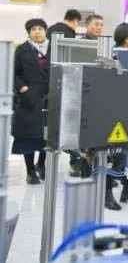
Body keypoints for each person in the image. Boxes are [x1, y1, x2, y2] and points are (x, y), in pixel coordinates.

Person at [103, 23, 128, 210]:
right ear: (127, 38)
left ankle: (127, 190)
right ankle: (107, 194)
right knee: (113, 156)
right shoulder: (113, 57)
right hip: (114, 113)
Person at [46, 9, 84, 176]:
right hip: (66, 84)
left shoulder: (50, 30)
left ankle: (45, 164)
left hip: (50, 83)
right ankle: (73, 162)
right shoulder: (69, 34)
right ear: (76, 21)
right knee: (70, 126)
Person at [12, 19, 49, 184]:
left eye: (40, 28)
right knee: (28, 136)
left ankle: (41, 164)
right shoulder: (22, 49)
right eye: (33, 29)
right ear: (29, 32)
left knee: (47, 136)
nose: (37, 31)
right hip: (29, 97)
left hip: (49, 97)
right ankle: (30, 171)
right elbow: (14, 72)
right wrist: (22, 88)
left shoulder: (54, 49)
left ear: (45, 30)